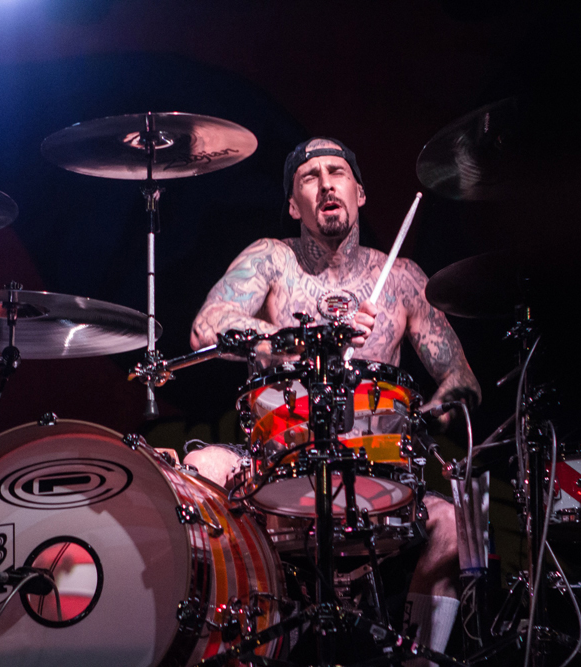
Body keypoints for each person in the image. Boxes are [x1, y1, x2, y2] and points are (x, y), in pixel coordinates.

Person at [185, 137, 482, 662]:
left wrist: (423, 418)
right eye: (310, 176)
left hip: (378, 473)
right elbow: (207, 327)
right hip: (276, 466)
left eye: (337, 172)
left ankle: (417, 659)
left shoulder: (403, 279)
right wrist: (313, 339)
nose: (325, 183)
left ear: (360, 193)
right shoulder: (272, 259)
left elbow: (462, 381)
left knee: (458, 526)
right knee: (199, 469)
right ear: (293, 204)